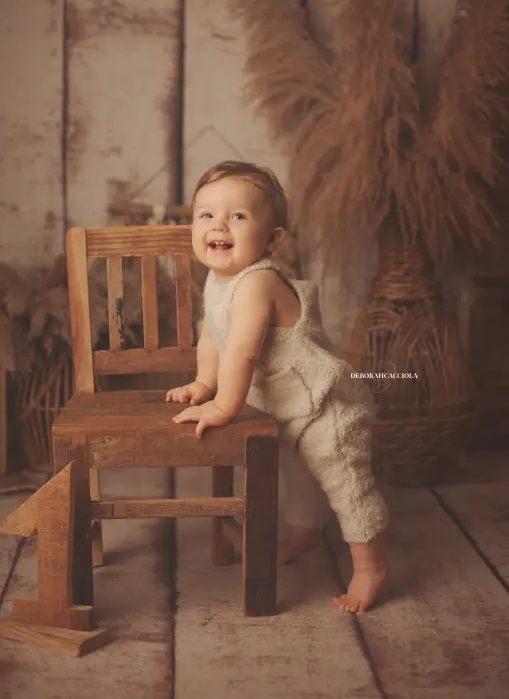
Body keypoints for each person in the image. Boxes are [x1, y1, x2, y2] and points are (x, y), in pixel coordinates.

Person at [166, 160, 388, 613]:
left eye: (238, 216)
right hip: (283, 403)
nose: (218, 225)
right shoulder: (216, 278)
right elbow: (212, 337)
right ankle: (306, 534)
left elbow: (244, 351)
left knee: (345, 482)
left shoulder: (258, 281)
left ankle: (371, 567)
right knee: (297, 474)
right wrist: (204, 383)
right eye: (206, 215)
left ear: (272, 240)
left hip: (324, 403)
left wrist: (223, 408)